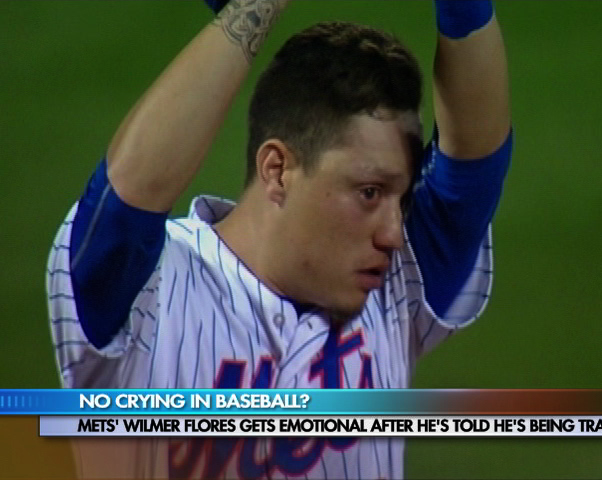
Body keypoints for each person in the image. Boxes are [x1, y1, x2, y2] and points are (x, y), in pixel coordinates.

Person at [46, 0, 511, 478]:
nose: (394, 233)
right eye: (368, 192)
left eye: (399, 196)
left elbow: (474, 169)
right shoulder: (149, 294)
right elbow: (127, 195)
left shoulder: (392, 286)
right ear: (278, 170)